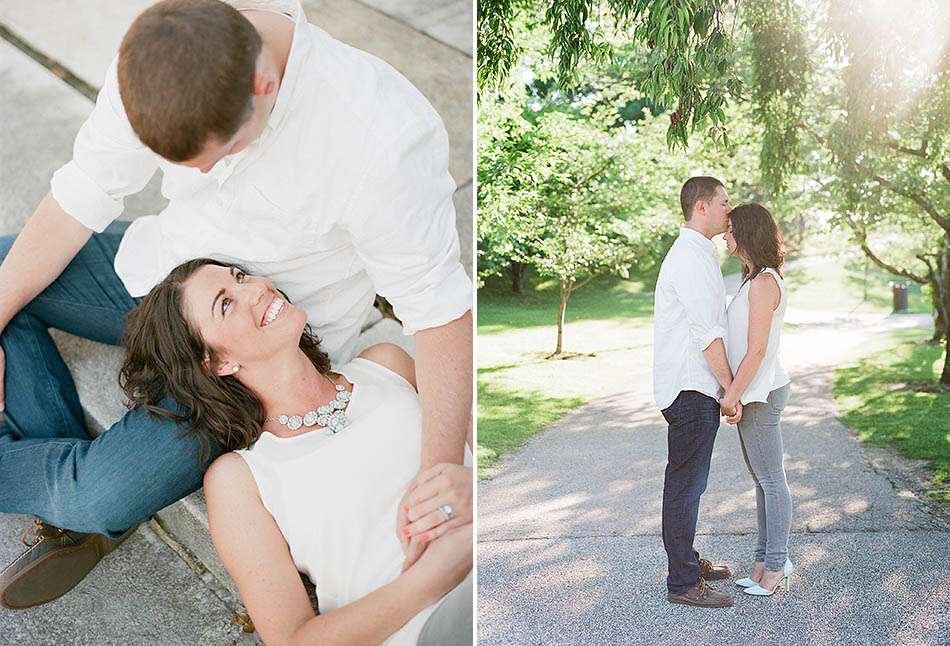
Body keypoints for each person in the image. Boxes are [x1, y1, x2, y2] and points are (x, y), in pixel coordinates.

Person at [0, 0, 471, 608]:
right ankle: (58, 485)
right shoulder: (163, 50)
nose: (200, 173)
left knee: (101, 494)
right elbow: (81, 194)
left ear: (264, 85)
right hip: (160, 277)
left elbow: (437, 309)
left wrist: (438, 478)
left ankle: (74, 504)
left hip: (253, 356)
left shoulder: (379, 133)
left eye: (218, 154)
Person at [119, 258, 472, 644]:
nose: (256, 288)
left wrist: (475, 489)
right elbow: (292, 639)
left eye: (240, 277)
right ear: (218, 362)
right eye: (226, 303)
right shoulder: (241, 478)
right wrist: (430, 579)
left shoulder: (386, 364)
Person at [652, 176, 739, 608]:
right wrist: (731, 389)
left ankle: (686, 561)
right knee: (686, 486)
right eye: (724, 203)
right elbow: (708, 335)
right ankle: (682, 583)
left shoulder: (699, 254)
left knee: (689, 484)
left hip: (692, 387)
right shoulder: (689, 257)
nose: (730, 211)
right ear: (701, 207)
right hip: (691, 388)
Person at [720, 203, 794, 597]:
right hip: (753, 392)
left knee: (771, 481)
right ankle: (765, 560)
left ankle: (777, 565)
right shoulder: (752, 279)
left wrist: (732, 396)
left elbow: (757, 350)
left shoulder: (764, 282)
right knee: (762, 481)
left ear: (746, 233)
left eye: (731, 229)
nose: (725, 235)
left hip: (761, 393)